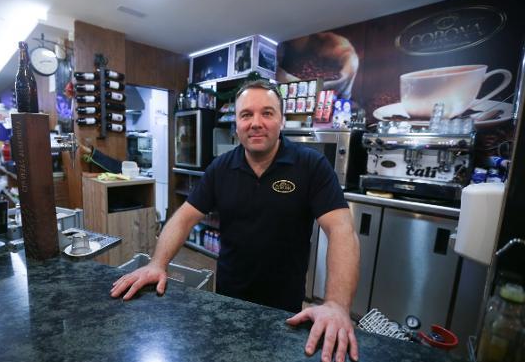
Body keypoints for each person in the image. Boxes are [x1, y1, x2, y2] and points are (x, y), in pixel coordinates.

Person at [111, 80, 360, 362]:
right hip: (227, 300)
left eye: (267, 113)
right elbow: (183, 217)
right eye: (246, 115)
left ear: (281, 119)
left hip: (285, 308)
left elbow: (341, 229)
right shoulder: (221, 168)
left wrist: (337, 305)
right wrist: (157, 264)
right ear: (237, 124)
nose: (256, 122)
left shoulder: (311, 165)